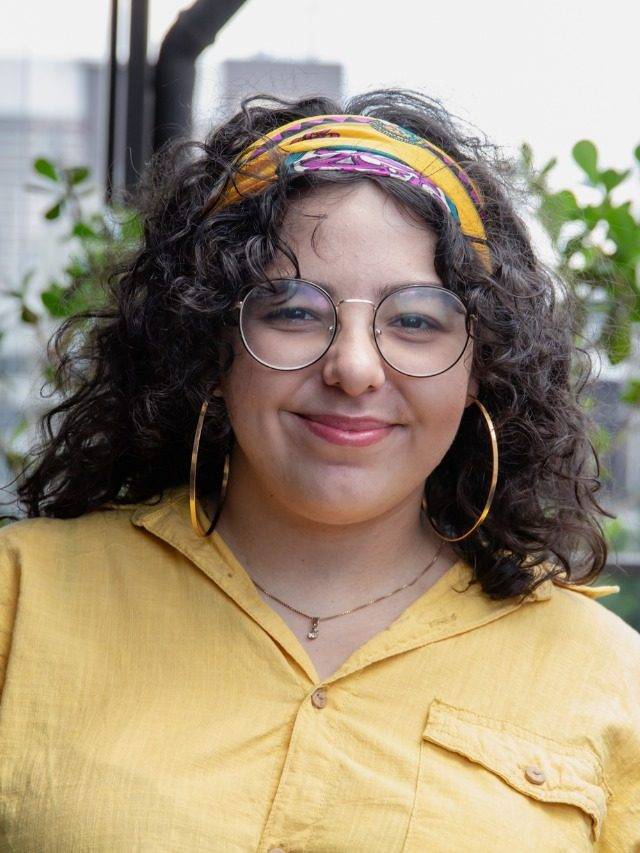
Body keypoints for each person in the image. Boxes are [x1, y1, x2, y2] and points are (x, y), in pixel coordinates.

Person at [0, 88, 638, 851]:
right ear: (208, 343)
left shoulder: (609, 677)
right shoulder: (21, 600)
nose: (355, 367)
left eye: (415, 320)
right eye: (295, 310)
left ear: (481, 371)